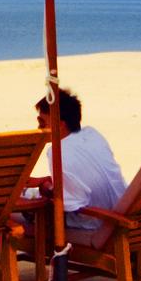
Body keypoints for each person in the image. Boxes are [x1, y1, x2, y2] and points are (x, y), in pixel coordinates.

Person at [35, 87, 125, 248]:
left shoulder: (58, 151)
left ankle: (38, 264)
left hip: (96, 224)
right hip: (120, 211)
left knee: (28, 210)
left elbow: (69, 204)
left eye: (42, 122)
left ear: (60, 125)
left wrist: (48, 190)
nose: (38, 128)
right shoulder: (92, 134)